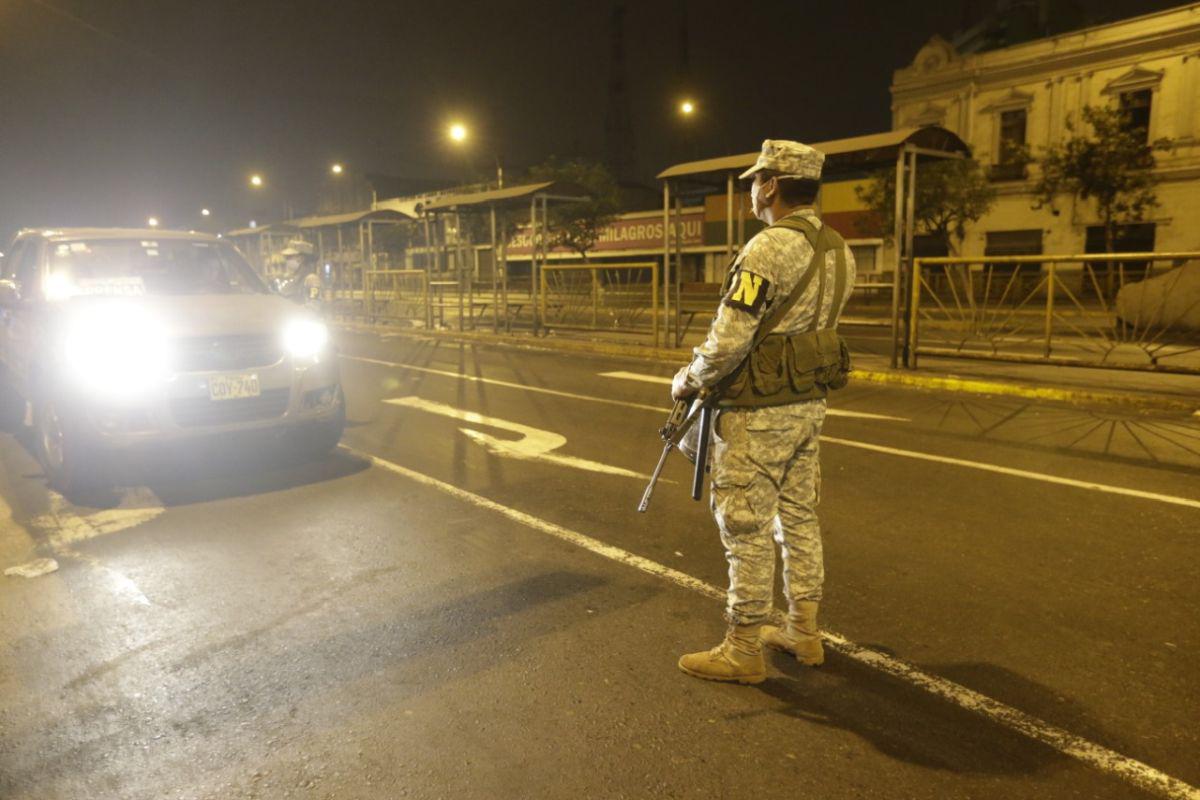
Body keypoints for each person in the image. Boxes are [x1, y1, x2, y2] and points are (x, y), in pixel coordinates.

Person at [673, 139, 856, 684]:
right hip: (808, 404)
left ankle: (743, 648)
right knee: (798, 516)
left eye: (755, 181)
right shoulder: (839, 249)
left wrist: (688, 379)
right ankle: (803, 630)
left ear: (772, 185)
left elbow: (729, 340)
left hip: (756, 412)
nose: (751, 191)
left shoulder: (766, 249)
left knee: (746, 526)